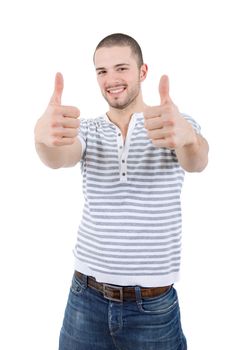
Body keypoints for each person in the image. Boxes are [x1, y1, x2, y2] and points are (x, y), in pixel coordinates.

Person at [34, 33, 209, 350]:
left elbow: (197, 161)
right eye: (101, 72)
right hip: (85, 300)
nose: (110, 79)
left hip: (152, 309)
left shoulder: (171, 125)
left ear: (142, 72)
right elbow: (60, 157)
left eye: (121, 68)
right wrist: (43, 141)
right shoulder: (88, 129)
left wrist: (188, 139)